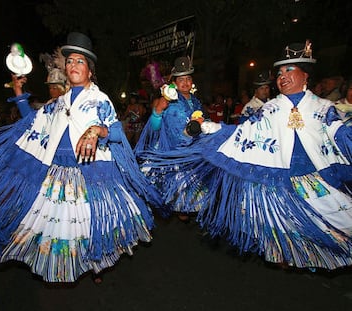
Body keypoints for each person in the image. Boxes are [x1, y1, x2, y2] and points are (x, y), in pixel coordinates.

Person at [0, 32, 161, 283]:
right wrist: (20, 91)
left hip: (89, 175)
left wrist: (97, 131)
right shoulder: (57, 103)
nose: (73, 65)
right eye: (69, 61)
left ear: (90, 70)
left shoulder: (99, 99)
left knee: (87, 226)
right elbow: (32, 123)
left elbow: (117, 131)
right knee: (61, 229)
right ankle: (73, 266)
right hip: (56, 174)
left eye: (79, 61)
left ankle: (95, 262)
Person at [144, 41, 352, 270]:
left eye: (289, 70)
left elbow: (340, 133)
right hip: (260, 173)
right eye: (280, 72)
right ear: (174, 82)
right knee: (280, 231)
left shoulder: (322, 108)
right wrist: (205, 127)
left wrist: (205, 127)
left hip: (314, 178)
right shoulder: (271, 109)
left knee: (332, 224)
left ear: (306, 75)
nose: (282, 76)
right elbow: (245, 130)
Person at [135, 56, 204, 222]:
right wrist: (157, 112)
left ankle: (184, 207)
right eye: (181, 79)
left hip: (192, 152)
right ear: (174, 82)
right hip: (173, 153)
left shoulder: (195, 101)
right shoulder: (168, 101)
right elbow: (155, 126)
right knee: (167, 197)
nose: (185, 82)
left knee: (189, 205)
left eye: (188, 78)